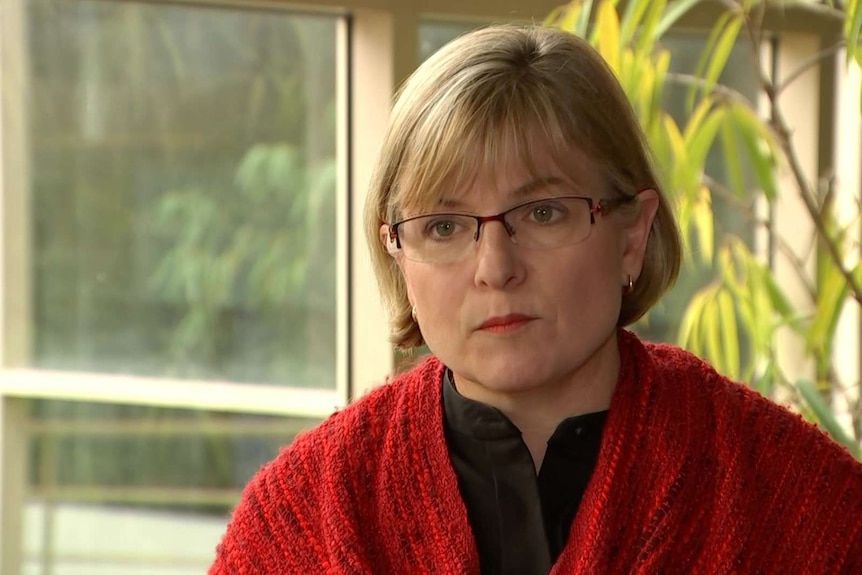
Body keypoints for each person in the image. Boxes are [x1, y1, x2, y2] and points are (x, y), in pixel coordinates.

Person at [209, 25, 862, 574]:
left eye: (544, 212)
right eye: (443, 225)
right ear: (398, 254)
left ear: (631, 234)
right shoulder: (303, 518)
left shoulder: (795, 497)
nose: (496, 267)